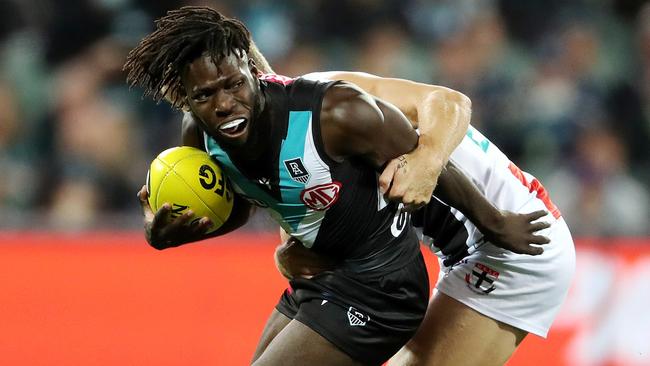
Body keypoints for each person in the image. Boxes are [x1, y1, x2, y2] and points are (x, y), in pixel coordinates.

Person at [124, 7, 551, 366]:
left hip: (409, 276)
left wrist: (483, 211)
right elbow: (244, 203)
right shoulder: (203, 134)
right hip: (332, 280)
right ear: (184, 97)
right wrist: (183, 232)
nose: (224, 104)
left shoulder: (336, 109)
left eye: (235, 83)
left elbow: (437, 129)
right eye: (205, 95)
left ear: (252, 69)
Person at [268, 75, 576, 364]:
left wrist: (426, 160)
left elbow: (450, 101)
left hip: (514, 238)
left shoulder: (325, 94)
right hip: (472, 240)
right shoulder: (270, 150)